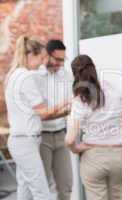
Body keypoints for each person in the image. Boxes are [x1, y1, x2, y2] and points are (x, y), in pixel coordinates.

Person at [5, 36, 69, 200]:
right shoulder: (26, 77)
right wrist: (68, 103)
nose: (42, 63)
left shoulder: (14, 75)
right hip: (26, 141)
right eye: (41, 58)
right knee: (41, 192)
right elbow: (44, 113)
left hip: (21, 140)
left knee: (25, 189)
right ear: (30, 55)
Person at [65, 55, 122, 200]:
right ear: (93, 67)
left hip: (94, 156)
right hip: (118, 155)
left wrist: (77, 149)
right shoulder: (113, 88)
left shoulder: (81, 99)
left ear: (75, 74)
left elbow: (69, 140)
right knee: (117, 196)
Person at [36, 39, 73, 200]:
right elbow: (42, 113)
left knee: (66, 186)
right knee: (41, 186)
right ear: (47, 56)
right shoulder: (35, 76)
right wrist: (62, 109)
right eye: (57, 59)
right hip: (41, 136)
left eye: (62, 60)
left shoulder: (65, 75)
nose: (60, 64)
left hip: (60, 135)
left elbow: (71, 105)